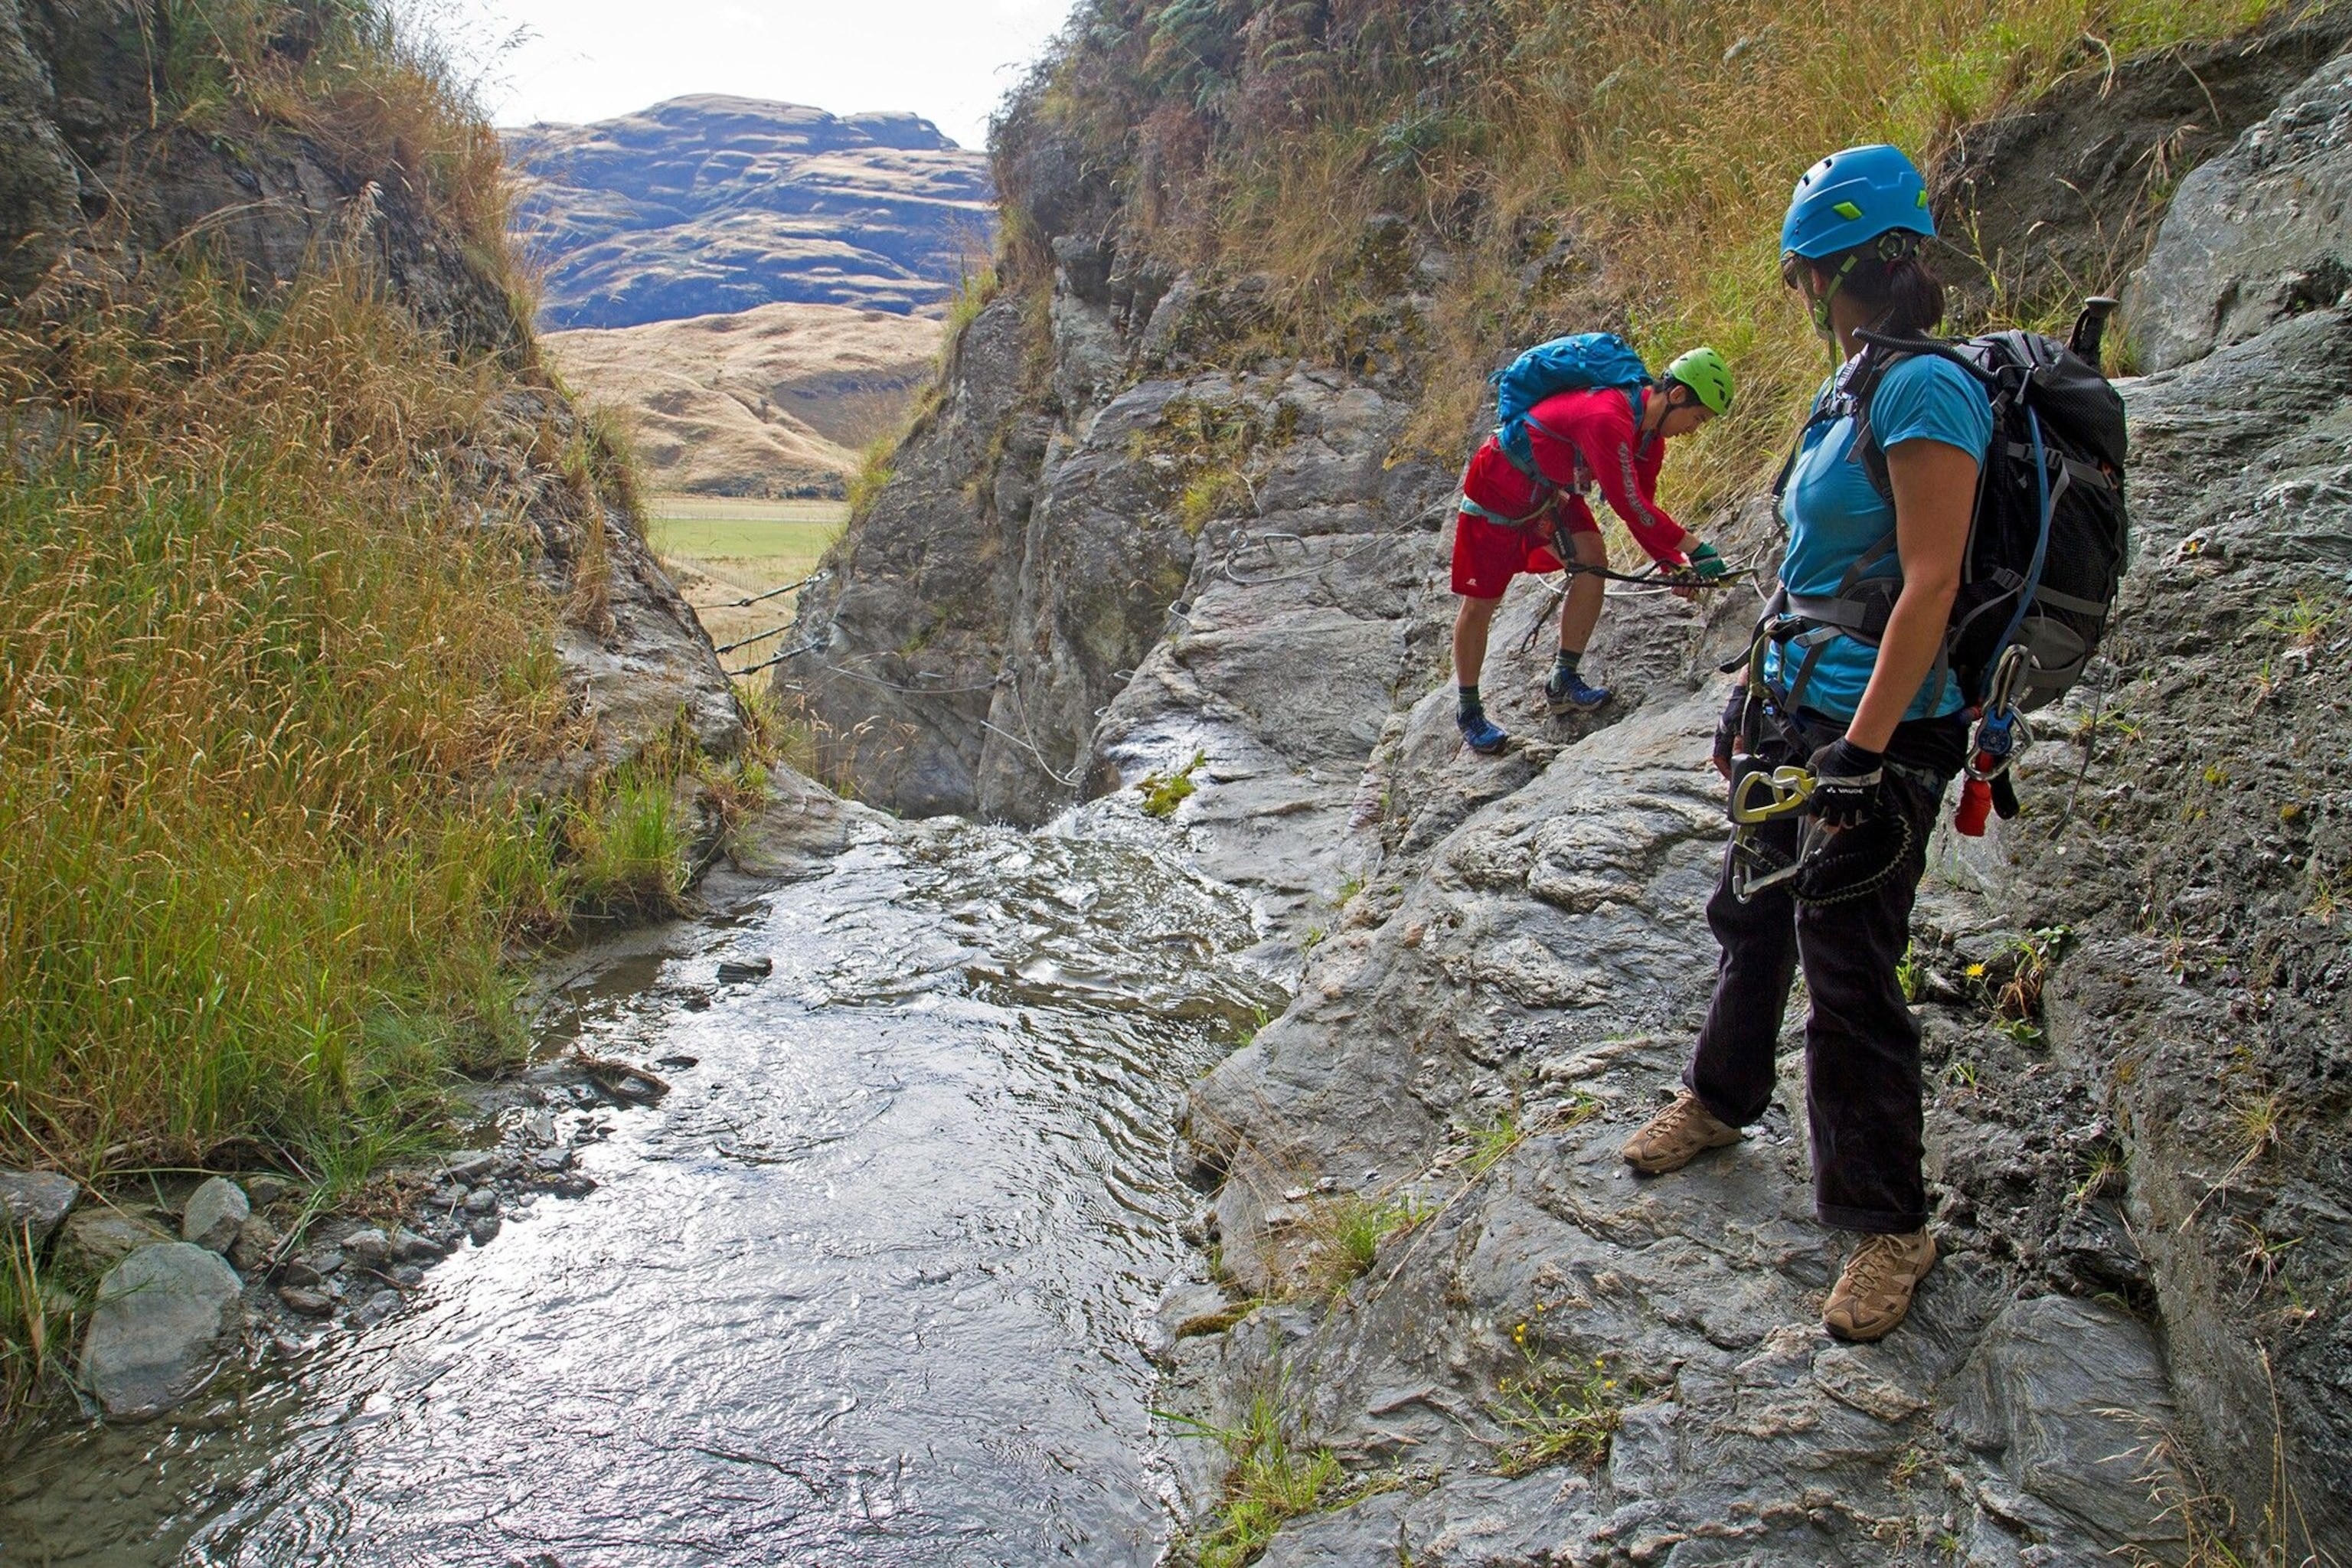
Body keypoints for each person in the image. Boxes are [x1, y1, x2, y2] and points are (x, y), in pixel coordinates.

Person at [1619, 145, 1992, 1343]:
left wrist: (1865, 752)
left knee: (1847, 964)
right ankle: (1721, 1098)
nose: (1800, 299)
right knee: (1751, 910)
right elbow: (1818, 569)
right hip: (1800, 700)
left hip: (1879, 725)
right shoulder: (1850, 390)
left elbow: (1930, 585)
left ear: (1858, 267)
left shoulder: (1927, 391)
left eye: (1805, 278)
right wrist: (1755, 693)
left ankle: (1891, 1226)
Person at [1451, 347, 1734, 755]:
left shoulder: (1648, 439)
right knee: (1481, 602)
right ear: (1676, 397)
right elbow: (1627, 503)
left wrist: (1673, 564)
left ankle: (1563, 679)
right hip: (1500, 484)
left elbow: (1643, 506)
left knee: (1592, 565)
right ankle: (1469, 710)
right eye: (1699, 417)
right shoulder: (1606, 416)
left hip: (1550, 492)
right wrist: (1696, 548)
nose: (1695, 428)